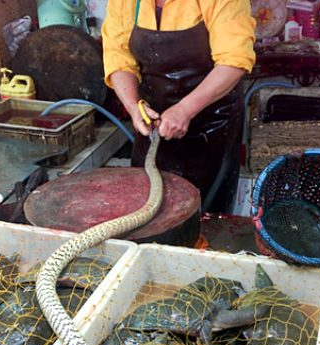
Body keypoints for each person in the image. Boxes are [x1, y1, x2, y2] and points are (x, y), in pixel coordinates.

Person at [102, 0, 256, 213]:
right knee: (149, 213)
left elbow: (234, 61)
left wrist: (185, 109)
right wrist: (133, 107)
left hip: (212, 126)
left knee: (207, 218)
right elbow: (117, 58)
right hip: (153, 123)